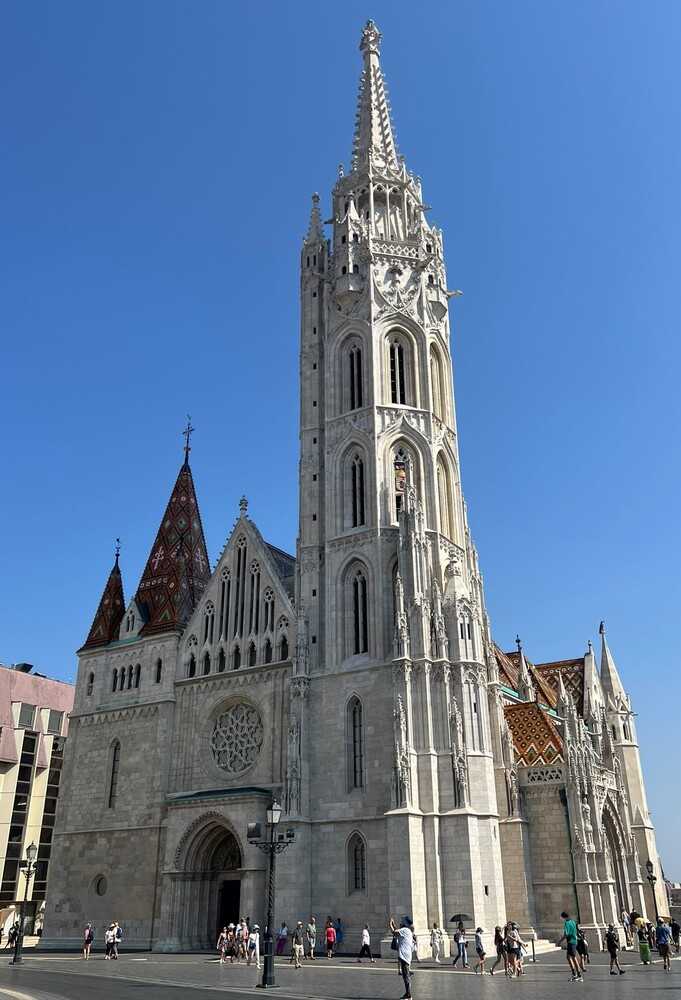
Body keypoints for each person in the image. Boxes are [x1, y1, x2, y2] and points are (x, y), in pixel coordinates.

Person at [389, 916, 413, 1000]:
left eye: (402, 922)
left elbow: (394, 932)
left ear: (404, 923)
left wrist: (390, 925)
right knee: (406, 975)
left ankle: (408, 995)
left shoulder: (404, 930)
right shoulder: (407, 931)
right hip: (407, 955)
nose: (400, 923)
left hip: (404, 956)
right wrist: (394, 925)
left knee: (406, 976)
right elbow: (398, 931)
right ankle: (408, 993)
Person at [558, 911, 582, 982]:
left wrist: (560, 941)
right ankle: (574, 974)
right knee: (568, 957)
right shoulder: (573, 922)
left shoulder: (567, 923)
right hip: (573, 941)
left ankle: (579, 975)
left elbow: (566, 934)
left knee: (574, 958)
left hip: (571, 942)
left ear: (563, 917)